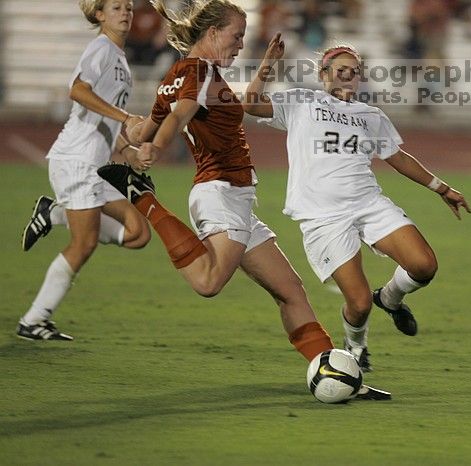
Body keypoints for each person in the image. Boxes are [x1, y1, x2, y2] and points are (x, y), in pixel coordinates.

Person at [98, 0, 389, 400]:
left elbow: (151, 124)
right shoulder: (199, 72)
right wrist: (155, 148)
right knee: (208, 281)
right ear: (213, 32)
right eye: (236, 36)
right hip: (220, 192)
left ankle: (337, 375)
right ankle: (144, 198)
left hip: (234, 198)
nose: (239, 44)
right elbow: (178, 118)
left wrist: (132, 136)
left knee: (290, 291)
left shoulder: (183, 73)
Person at [243, 38, 471, 372]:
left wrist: (441, 188)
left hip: (368, 203)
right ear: (324, 74)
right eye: (341, 71)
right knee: (359, 303)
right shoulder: (301, 101)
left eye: (354, 72)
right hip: (323, 217)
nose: (348, 77)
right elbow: (250, 105)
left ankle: (390, 298)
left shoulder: (370, 115)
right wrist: (267, 64)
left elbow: (397, 157)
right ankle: (356, 344)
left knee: (424, 265)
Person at [17, 0, 151, 341]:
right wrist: (126, 119)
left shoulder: (120, 59)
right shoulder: (101, 48)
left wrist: (127, 151)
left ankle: (55, 212)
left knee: (138, 233)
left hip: (96, 166)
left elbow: (105, 118)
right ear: (99, 15)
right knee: (85, 243)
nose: (125, 12)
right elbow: (77, 90)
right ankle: (34, 319)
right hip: (77, 160)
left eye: (129, 8)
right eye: (117, 7)